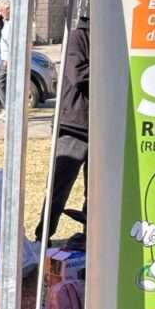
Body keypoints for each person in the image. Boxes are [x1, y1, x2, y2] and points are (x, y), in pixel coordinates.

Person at [35, 15, 90, 243]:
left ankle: (92, 238)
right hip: (74, 125)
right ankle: (43, 237)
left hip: (103, 128)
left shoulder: (112, 40)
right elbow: (78, 75)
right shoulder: (79, 37)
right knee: (59, 187)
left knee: (97, 192)